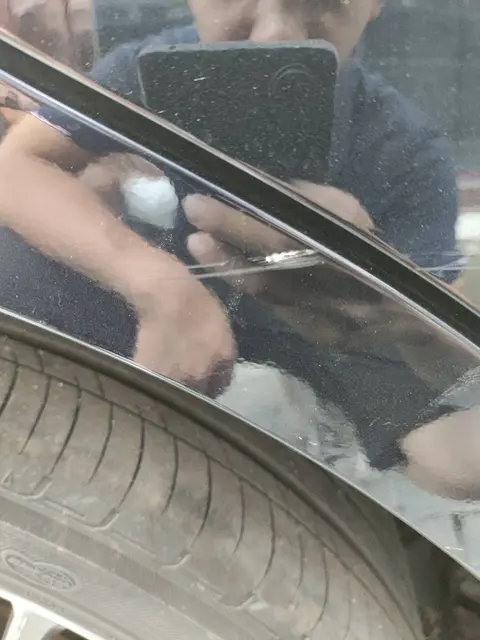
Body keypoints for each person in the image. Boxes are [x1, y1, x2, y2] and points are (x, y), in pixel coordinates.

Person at [0, 0, 474, 495]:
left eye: (324, 2)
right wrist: (160, 286)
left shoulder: (405, 150)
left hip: (319, 346)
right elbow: (13, 167)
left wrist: (379, 287)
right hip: (155, 322)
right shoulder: (149, 72)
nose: (274, 34)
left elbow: (446, 427)